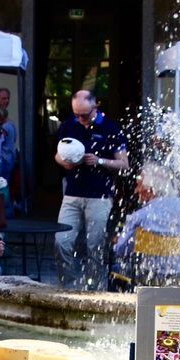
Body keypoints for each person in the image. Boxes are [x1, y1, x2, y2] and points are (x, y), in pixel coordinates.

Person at [53, 88, 129, 289]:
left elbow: (124, 164)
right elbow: (57, 154)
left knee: (95, 246)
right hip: (72, 193)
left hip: (99, 195)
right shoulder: (69, 125)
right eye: (76, 114)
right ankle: (68, 287)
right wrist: (65, 162)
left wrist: (99, 161)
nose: (80, 119)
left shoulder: (110, 128)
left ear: (95, 106)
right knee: (61, 242)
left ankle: (94, 290)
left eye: (84, 115)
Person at [112, 162, 180, 287]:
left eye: (139, 185)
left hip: (150, 277)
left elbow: (121, 250)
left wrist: (117, 242)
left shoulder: (140, 216)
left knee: (115, 266)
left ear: (150, 190)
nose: (136, 190)